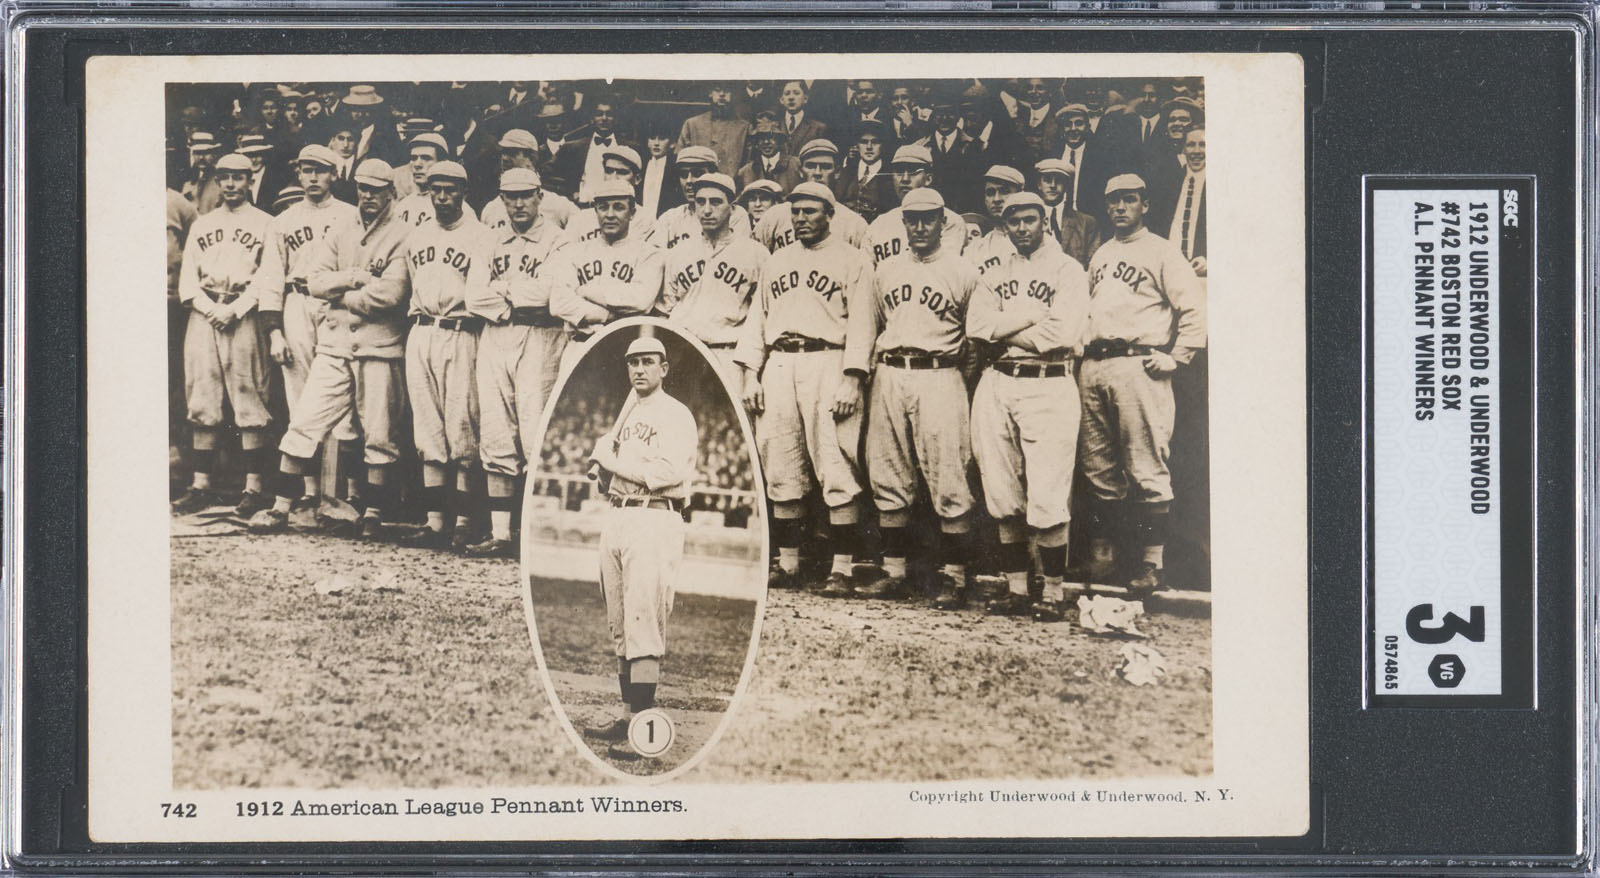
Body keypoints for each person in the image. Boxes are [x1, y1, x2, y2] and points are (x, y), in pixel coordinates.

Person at [246, 159, 412, 538]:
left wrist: (343, 296)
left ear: (392, 192)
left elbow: (391, 294)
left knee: (378, 433)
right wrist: (354, 278)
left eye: (376, 189)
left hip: (379, 346)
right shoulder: (341, 229)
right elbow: (315, 281)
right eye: (363, 189)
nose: (368, 196)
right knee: (305, 420)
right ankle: (281, 507)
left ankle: (372, 513)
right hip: (335, 343)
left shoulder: (404, 234)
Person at [734, 182, 875, 595]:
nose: (802, 219)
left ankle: (842, 569)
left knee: (835, 460)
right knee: (781, 461)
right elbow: (757, 323)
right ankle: (789, 564)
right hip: (779, 361)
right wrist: (750, 374)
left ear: (830, 215)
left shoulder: (853, 260)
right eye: (796, 212)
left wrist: (853, 376)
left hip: (829, 360)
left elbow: (864, 324)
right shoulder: (776, 261)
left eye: (811, 212)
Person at [1080, 174, 1206, 596]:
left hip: (1139, 363)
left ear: (1145, 205)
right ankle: (1106, 558)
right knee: (1099, 467)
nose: (1119, 208)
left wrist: (1178, 355)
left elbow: (1194, 310)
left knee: (1147, 465)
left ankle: (1153, 564)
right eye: (1113, 201)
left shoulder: (1162, 252)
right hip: (1095, 363)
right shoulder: (1100, 254)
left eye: (1129, 200)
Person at [966, 191, 1091, 618]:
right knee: (1002, 491)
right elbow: (977, 327)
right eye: (1013, 221)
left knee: (1049, 490)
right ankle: (1017, 590)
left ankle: (1053, 593)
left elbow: (1060, 333)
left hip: (1050, 380)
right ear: (1005, 226)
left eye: (1029, 220)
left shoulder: (1068, 270)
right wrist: (1032, 318)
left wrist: (1005, 329)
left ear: (1044, 222)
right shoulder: (993, 271)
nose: (1021, 228)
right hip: (999, 381)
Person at [854, 188, 981, 605]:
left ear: (943, 222)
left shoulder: (963, 270)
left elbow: (976, 339)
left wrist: (958, 375)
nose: (921, 226)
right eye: (913, 219)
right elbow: (868, 326)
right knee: (888, 471)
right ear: (904, 223)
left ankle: (956, 576)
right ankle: (894, 572)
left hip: (939, 373)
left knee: (949, 471)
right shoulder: (885, 270)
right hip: (891, 371)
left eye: (929, 218)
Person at [585, 334, 699, 761]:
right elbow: (616, 474)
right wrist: (601, 469)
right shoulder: (629, 414)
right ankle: (629, 713)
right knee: (620, 623)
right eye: (633, 362)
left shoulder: (677, 414)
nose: (639, 369)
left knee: (643, 620)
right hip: (618, 513)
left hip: (655, 516)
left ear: (664, 368)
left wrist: (611, 461)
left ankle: (645, 730)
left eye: (648, 362)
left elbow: (667, 472)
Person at [376, 160, 492, 549]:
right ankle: (434, 521)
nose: (443, 198)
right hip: (423, 330)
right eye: (436, 190)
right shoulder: (417, 235)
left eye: (451, 190)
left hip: (462, 331)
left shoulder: (481, 235)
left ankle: (463, 521)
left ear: (464, 192)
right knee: (427, 429)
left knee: (462, 427)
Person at [463, 167, 572, 557]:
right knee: (495, 431)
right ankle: (501, 533)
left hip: (541, 337)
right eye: (511, 197)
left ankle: (537, 534)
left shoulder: (558, 240)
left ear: (540, 196)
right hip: (495, 335)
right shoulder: (490, 240)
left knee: (535, 430)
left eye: (526, 195)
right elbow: (472, 296)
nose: (519, 203)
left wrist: (503, 289)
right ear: (502, 200)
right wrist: (511, 299)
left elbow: (547, 294)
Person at [250, 145, 363, 506]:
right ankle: (310, 493)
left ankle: (347, 495)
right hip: (297, 303)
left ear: (334, 175)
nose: (313, 178)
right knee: (301, 400)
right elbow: (270, 279)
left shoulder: (352, 216)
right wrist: (274, 331)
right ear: (298, 174)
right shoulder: (282, 220)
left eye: (321, 171)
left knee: (346, 400)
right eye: (307, 170)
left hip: (338, 306)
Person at [170, 154, 276, 515]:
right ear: (217, 181)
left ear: (250, 180)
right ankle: (200, 485)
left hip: (242, 313)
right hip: (205, 313)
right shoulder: (202, 223)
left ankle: (254, 488)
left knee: (250, 395)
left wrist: (237, 308)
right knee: (203, 395)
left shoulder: (266, 223)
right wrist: (207, 305)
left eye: (238, 178)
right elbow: (188, 276)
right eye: (225, 178)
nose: (231, 184)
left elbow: (267, 276)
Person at [548, 179, 666, 375]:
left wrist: (586, 291)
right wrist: (607, 315)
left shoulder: (649, 254)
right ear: (595, 211)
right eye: (603, 207)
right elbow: (559, 302)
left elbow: (640, 300)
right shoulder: (574, 252)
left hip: (625, 349)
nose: (610, 214)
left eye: (618, 207)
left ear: (632, 212)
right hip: (579, 346)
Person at [660, 173, 767, 384]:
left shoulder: (755, 254)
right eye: (701, 202)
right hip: (684, 354)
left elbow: (760, 319)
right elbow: (667, 308)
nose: (707, 210)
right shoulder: (678, 252)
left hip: (729, 355)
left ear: (733, 207)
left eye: (716, 202)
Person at [752, 139, 870, 252]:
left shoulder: (854, 223)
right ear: (800, 170)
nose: (817, 173)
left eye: (825, 167)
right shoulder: (774, 217)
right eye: (811, 166)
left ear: (837, 172)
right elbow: (756, 259)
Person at [865, 144, 967, 265]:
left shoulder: (949, 221)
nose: (905, 179)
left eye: (913, 172)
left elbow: (943, 269)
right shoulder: (879, 224)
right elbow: (866, 274)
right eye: (899, 172)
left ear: (928, 179)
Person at [646, 145, 751, 251]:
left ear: (713, 175)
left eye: (697, 173)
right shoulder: (670, 218)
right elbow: (655, 258)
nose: (689, 181)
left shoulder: (733, 214)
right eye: (684, 174)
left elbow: (737, 257)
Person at [479, 128, 579, 232]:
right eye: (503, 153)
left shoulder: (556, 203)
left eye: (512, 153)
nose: (504, 158)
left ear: (531, 158)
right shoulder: (491, 209)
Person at [1150, 126, 1206, 274]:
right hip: (1170, 270)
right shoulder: (1169, 182)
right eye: (1190, 145)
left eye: (1203, 144)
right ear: (1183, 150)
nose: (1196, 151)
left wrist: (1208, 259)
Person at [1033, 157, 1100, 269]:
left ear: (1066, 186)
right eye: (1048, 180)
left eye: (1059, 181)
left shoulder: (1086, 223)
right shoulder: (1028, 221)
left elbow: (1093, 266)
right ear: (1039, 184)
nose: (1053, 185)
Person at [675, 81, 750, 177]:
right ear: (710, 93)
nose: (722, 94)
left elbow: (748, 166)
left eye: (727, 90)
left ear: (733, 94)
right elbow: (681, 160)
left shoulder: (744, 128)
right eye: (717, 90)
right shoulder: (692, 124)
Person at [966, 164, 1025, 274]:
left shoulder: (1035, 241)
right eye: (990, 193)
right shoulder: (975, 249)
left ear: (1019, 195)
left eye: (1005, 191)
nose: (996, 199)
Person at [840, 120, 897, 224]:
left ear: (882, 145)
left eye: (875, 142)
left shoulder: (890, 175)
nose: (869, 147)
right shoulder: (846, 172)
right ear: (857, 145)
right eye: (864, 142)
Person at [735, 119, 801, 194]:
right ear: (756, 143)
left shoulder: (795, 165)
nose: (766, 142)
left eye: (771, 137)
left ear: (779, 141)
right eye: (761, 138)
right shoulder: (745, 172)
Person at [777, 80, 827, 156]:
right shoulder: (774, 125)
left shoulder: (818, 128)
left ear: (805, 98)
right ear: (781, 100)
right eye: (787, 94)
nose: (791, 97)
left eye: (796, 93)